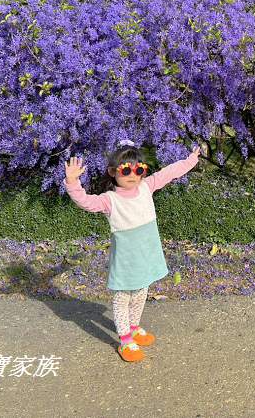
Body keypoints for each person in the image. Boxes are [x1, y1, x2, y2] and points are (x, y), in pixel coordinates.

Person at [64, 139, 201, 362]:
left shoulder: (146, 187)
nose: (133, 174)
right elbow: (86, 202)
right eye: (126, 169)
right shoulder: (110, 200)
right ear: (112, 172)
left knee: (141, 292)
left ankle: (134, 327)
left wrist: (190, 160)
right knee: (122, 297)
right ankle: (125, 340)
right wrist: (72, 181)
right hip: (126, 261)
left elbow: (169, 173)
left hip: (147, 255)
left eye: (139, 169)